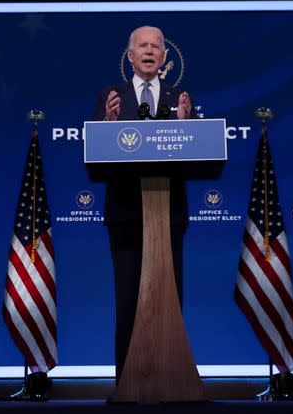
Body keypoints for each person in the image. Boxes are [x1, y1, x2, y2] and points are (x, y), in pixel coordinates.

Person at [92, 25, 197, 383]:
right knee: (127, 301)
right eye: (143, 46)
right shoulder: (111, 96)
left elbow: (194, 157)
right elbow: (96, 159)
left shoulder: (179, 96)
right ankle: (126, 383)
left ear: (165, 57)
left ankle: (171, 381)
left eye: (156, 46)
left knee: (170, 302)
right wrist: (106, 124)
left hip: (168, 215)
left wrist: (187, 128)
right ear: (130, 55)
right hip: (126, 214)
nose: (150, 51)